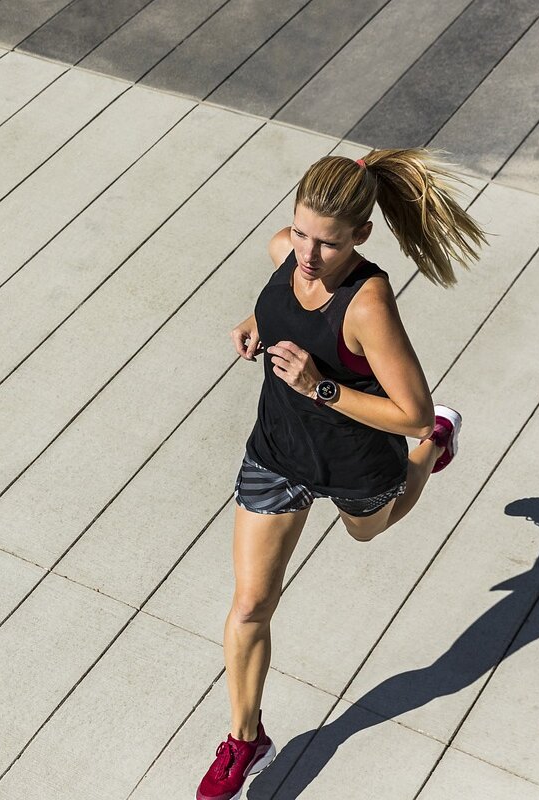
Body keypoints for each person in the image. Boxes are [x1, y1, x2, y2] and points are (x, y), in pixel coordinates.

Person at [196, 149, 487, 800]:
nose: (306, 254)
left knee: (369, 529)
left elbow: (408, 411)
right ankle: (246, 741)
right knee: (249, 607)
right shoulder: (285, 251)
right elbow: (280, 299)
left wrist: (321, 388)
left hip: (357, 455)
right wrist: (254, 323)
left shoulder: (367, 303)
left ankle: (439, 450)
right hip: (277, 451)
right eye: (300, 232)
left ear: (361, 236)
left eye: (326, 243)